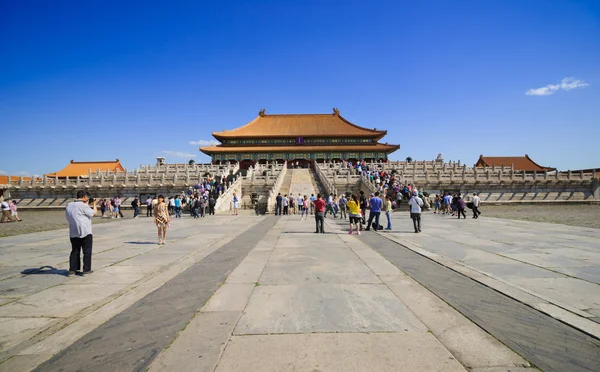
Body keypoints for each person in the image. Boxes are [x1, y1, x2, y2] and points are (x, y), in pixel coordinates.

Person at [65, 191, 97, 276]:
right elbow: (94, 213)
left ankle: (72, 269)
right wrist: (94, 204)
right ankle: (86, 270)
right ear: (85, 196)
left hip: (73, 231)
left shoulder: (69, 205)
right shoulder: (83, 206)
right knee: (87, 251)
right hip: (85, 231)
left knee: (75, 250)